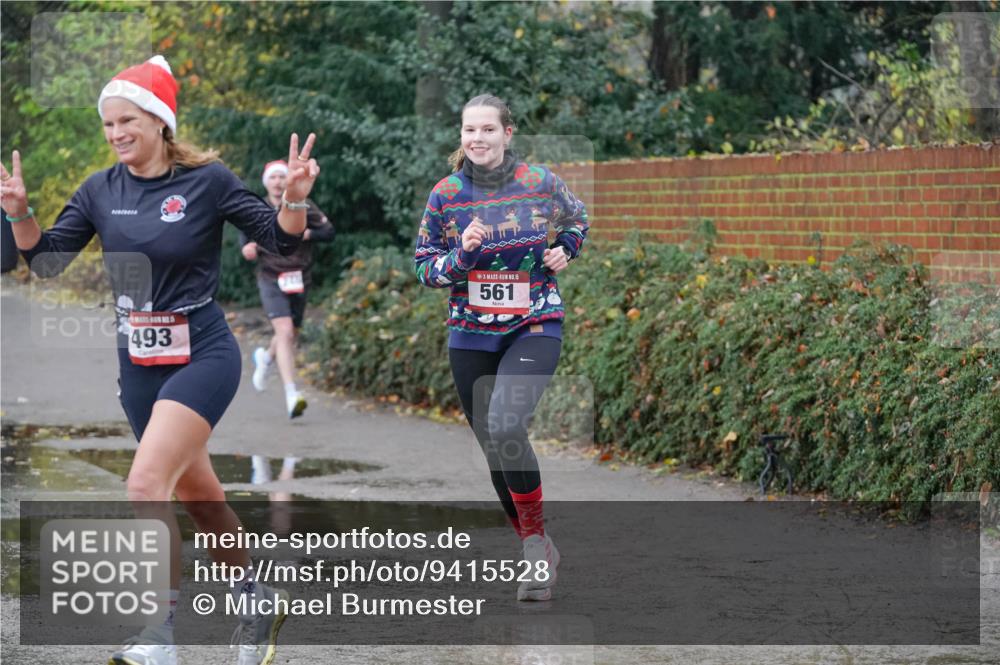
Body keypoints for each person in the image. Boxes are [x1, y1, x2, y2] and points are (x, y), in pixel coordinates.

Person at [0, 56, 319, 665]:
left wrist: (295, 201)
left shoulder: (209, 180)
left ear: (158, 121)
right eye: (107, 124)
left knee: (145, 483)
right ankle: (257, 596)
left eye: (126, 120)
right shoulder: (99, 189)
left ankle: (158, 637)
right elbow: (45, 262)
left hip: (203, 350)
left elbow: (280, 241)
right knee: (200, 502)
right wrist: (19, 212)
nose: (116, 133)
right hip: (138, 363)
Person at [414, 94, 588, 601]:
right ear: (461, 136)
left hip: (535, 322)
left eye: (488, 129)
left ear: (507, 133)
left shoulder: (541, 182)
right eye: (470, 130)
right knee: (495, 450)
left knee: (506, 425)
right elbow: (425, 267)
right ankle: (536, 544)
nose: (478, 139)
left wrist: (566, 249)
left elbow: (578, 219)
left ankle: (534, 547)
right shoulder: (445, 194)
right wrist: (462, 256)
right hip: (470, 335)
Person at [239, 159, 334, 425]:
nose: (278, 182)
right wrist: (247, 248)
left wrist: (307, 234)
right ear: (265, 182)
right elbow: (244, 238)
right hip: (271, 278)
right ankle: (293, 394)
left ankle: (265, 359)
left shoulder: (303, 203)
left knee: (290, 333)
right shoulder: (256, 206)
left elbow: (328, 231)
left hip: (299, 277)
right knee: (284, 332)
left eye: (282, 177)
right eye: (273, 178)